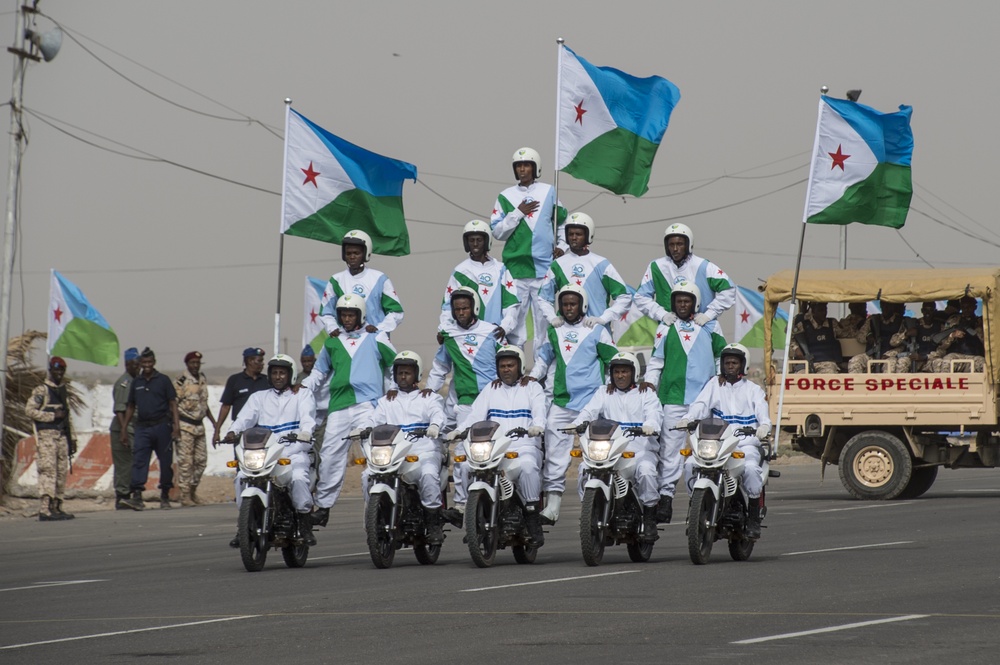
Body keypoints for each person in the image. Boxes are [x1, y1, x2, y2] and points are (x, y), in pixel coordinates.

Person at [301, 293, 397, 529]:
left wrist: (394, 388)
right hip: (339, 405)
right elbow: (319, 372)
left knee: (377, 457)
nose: (346, 318)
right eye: (343, 314)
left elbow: (396, 365)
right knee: (330, 456)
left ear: (360, 315)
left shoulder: (377, 337)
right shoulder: (332, 342)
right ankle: (323, 508)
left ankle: (378, 506)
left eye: (350, 314)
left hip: (368, 405)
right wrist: (301, 388)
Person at [529, 284, 618, 525]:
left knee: (596, 456)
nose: (569, 308)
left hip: (592, 405)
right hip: (562, 403)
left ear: (583, 305)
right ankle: (553, 506)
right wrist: (531, 377)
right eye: (565, 304)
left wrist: (609, 386)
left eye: (573, 303)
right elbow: (543, 360)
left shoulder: (597, 330)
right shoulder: (553, 330)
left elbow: (614, 361)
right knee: (556, 457)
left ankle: (592, 505)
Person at [643, 281, 726, 523]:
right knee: (670, 452)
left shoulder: (710, 324)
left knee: (705, 453)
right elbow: (657, 361)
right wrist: (649, 383)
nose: (682, 304)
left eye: (686, 300)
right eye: (678, 300)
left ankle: (699, 499)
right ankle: (666, 498)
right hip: (673, 398)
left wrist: (719, 381)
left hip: (703, 401)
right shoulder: (665, 326)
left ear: (695, 302)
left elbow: (722, 356)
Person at [453, 345, 547, 545]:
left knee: (528, 466)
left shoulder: (533, 388)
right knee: (466, 467)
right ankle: (473, 518)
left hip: (524, 446)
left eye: (510, 365)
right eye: (502, 366)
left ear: (520, 366)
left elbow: (540, 410)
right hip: (494, 449)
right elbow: (475, 415)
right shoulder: (491, 388)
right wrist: (459, 430)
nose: (506, 369)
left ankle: (531, 516)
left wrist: (537, 426)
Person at [678, 343, 771, 539]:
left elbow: (764, 415)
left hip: (745, 444)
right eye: (727, 362)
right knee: (689, 466)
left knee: (752, 468)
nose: (730, 366)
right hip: (717, 443)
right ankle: (697, 509)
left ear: (742, 365)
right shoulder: (714, 385)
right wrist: (688, 418)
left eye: (734, 362)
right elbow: (700, 405)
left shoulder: (753, 390)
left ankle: (753, 518)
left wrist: (763, 427)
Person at [224, 354, 318, 547]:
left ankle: (304, 523)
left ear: (290, 375)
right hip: (265, 454)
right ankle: (244, 525)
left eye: (282, 373)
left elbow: (308, 418)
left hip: (294, 452)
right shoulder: (258, 397)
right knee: (242, 478)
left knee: (299, 478)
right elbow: (244, 419)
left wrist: (306, 432)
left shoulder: (302, 394)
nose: (278, 377)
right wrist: (232, 431)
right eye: (274, 373)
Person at [427, 287, 504, 512]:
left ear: (475, 308)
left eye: (465, 308)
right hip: (466, 403)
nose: (461, 312)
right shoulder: (448, 335)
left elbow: (509, 360)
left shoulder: (493, 331)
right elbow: (440, 367)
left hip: (493, 403)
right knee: (462, 455)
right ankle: (461, 504)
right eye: (457, 309)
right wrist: (428, 392)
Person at [570, 352, 661, 542]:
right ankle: (591, 511)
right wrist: (577, 424)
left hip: (639, 449)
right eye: (617, 372)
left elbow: (654, 414)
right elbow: (588, 411)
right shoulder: (604, 392)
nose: (620, 376)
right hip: (609, 451)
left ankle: (650, 516)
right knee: (584, 469)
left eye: (624, 372)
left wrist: (650, 426)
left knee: (646, 471)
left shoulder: (646, 393)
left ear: (634, 373)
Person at [359, 351, 448, 544]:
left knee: (428, 474)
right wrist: (364, 429)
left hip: (424, 450)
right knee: (367, 476)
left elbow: (438, 415)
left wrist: (434, 426)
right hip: (394, 454)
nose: (403, 377)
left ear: (416, 375)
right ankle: (376, 517)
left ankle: (433, 523)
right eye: (400, 373)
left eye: (407, 373)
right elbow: (374, 421)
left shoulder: (429, 398)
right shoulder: (386, 401)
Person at [490, 147, 568, 344]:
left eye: (526, 165)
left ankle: (540, 373)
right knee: (514, 324)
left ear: (535, 168)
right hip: (516, 269)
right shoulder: (505, 196)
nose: (522, 170)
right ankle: (515, 366)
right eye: (518, 166)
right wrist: (518, 213)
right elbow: (497, 232)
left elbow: (562, 222)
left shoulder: (548, 191)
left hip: (543, 268)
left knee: (544, 324)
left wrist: (563, 246)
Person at [537, 212, 632, 338]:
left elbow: (624, 297)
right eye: (570, 234)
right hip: (566, 335)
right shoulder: (557, 265)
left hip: (597, 333)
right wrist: (552, 317)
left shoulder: (601, 264)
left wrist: (603, 318)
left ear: (588, 235)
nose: (574, 238)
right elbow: (543, 298)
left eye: (578, 234)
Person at [634, 223, 735, 333]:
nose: (675, 249)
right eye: (671, 245)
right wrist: (662, 314)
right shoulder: (656, 267)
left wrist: (708, 315)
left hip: (703, 329)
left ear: (688, 244)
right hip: (670, 330)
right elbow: (640, 297)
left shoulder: (704, 266)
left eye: (680, 244)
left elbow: (729, 289)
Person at [439, 219, 520, 345]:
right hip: (467, 338)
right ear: (466, 243)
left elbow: (511, 305)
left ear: (487, 241)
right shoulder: (460, 272)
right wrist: (443, 329)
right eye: (471, 240)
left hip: (496, 335)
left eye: (479, 240)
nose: (475, 244)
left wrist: (505, 327)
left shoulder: (501, 269)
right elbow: (447, 307)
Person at [120, 348, 181, 511]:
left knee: (166, 462)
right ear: (140, 363)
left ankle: (165, 496)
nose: (147, 365)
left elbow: (173, 404)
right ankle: (137, 496)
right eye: (144, 362)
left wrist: (176, 426)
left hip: (162, 426)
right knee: (139, 461)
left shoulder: (163, 380)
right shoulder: (137, 382)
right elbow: (131, 406)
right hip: (143, 428)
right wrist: (124, 429)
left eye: (149, 362)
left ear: (154, 362)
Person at [318, 229, 404, 336]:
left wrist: (379, 328)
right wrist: (333, 328)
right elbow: (325, 312)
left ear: (365, 253)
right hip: (346, 341)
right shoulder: (336, 280)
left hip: (374, 340)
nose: (352, 257)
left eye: (356, 253)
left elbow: (396, 312)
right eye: (348, 253)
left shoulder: (380, 279)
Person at [26, 356, 76, 521]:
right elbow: (30, 411)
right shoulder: (42, 390)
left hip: (61, 436)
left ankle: (57, 505)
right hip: (47, 436)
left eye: (62, 370)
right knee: (48, 471)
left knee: (61, 471)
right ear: (50, 370)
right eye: (56, 370)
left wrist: (72, 439)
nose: (59, 373)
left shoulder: (62, 391)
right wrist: (52, 416)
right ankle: (45, 508)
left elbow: (68, 418)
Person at [174, 351, 217, 506]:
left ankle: (193, 491)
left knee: (201, 462)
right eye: (192, 363)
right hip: (185, 425)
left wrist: (214, 422)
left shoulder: (202, 379)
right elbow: (173, 404)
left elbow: (203, 404)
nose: (195, 366)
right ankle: (184, 495)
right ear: (187, 364)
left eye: (197, 363)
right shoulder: (182, 381)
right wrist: (175, 426)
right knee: (186, 463)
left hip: (199, 426)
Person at [213, 347, 269, 445]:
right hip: (241, 431)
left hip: (263, 431)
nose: (263, 364)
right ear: (250, 361)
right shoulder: (234, 380)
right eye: (259, 361)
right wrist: (217, 431)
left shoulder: (267, 381)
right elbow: (226, 406)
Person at [109, 347, 139, 510]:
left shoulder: (137, 381)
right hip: (123, 429)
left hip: (134, 428)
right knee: (123, 464)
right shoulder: (124, 383)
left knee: (133, 463)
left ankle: (131, 494)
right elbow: (120, 409)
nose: (138, 367)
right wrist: (124, 431)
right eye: (134, 364)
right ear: (127, 364)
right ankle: (122, 496)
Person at [929, 296, 986, 373]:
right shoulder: (954, 320)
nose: (966, 309)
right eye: (963, 307)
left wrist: (978, 331)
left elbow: (988, 343)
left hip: (975, 356)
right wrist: (952, 336)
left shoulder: (981, 322)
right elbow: (941, 343)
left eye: (969, 307)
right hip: (956, 355)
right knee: (947, 362)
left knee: (983, 365)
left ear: (975, 307)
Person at [847, 301, 907, 373]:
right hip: (872, 354)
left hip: (891, 356)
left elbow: (902, 345)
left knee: (890, 366)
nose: (885, 308)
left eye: (888, 306)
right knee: (855, 361)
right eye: (883, 305)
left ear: (893, 307)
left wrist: (889, 354)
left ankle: (886, 384)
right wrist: (868, 336)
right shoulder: (873, 319)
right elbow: (860, 337)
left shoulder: (901, 322)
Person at [790, 302, 843, 374]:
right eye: (820, 310)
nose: (824, 312)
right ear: (813, 312)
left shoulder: (832, 324)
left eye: (825, 309)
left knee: (827, 378)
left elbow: (845, 334)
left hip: (827, 363)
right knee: (799, 378)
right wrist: (796, 349)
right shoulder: (804, 325)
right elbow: (790, 335)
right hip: (807, 363)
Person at [892, 302, 944, 372]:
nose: (927, 313)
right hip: (914, 358)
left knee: (939, 363)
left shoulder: (940, 327)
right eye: (925, 310)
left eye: (931, 310)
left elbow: (943, 349)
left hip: (930, 359)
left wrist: (925, 357)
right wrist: (906, 334)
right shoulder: (914, 323)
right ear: (922, 311)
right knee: (902, 362)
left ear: (935, 311)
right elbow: (893, 342)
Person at [297, 344, 329, 441]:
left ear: (314, 361)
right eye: (304, 361)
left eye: (309, 361)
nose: (307, 364)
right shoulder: (297, 379)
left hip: (324, 416)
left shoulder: (322, 376)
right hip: (305, 416)